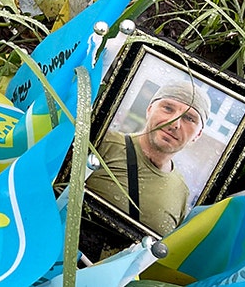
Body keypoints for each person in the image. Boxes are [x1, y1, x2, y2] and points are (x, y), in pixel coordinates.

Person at [85, 81, 211, 236]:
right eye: (168, 108)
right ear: (149, 109)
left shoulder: (181, 192)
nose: (175, 123)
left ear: (197, 135)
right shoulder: (102, 143)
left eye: (189, 118)